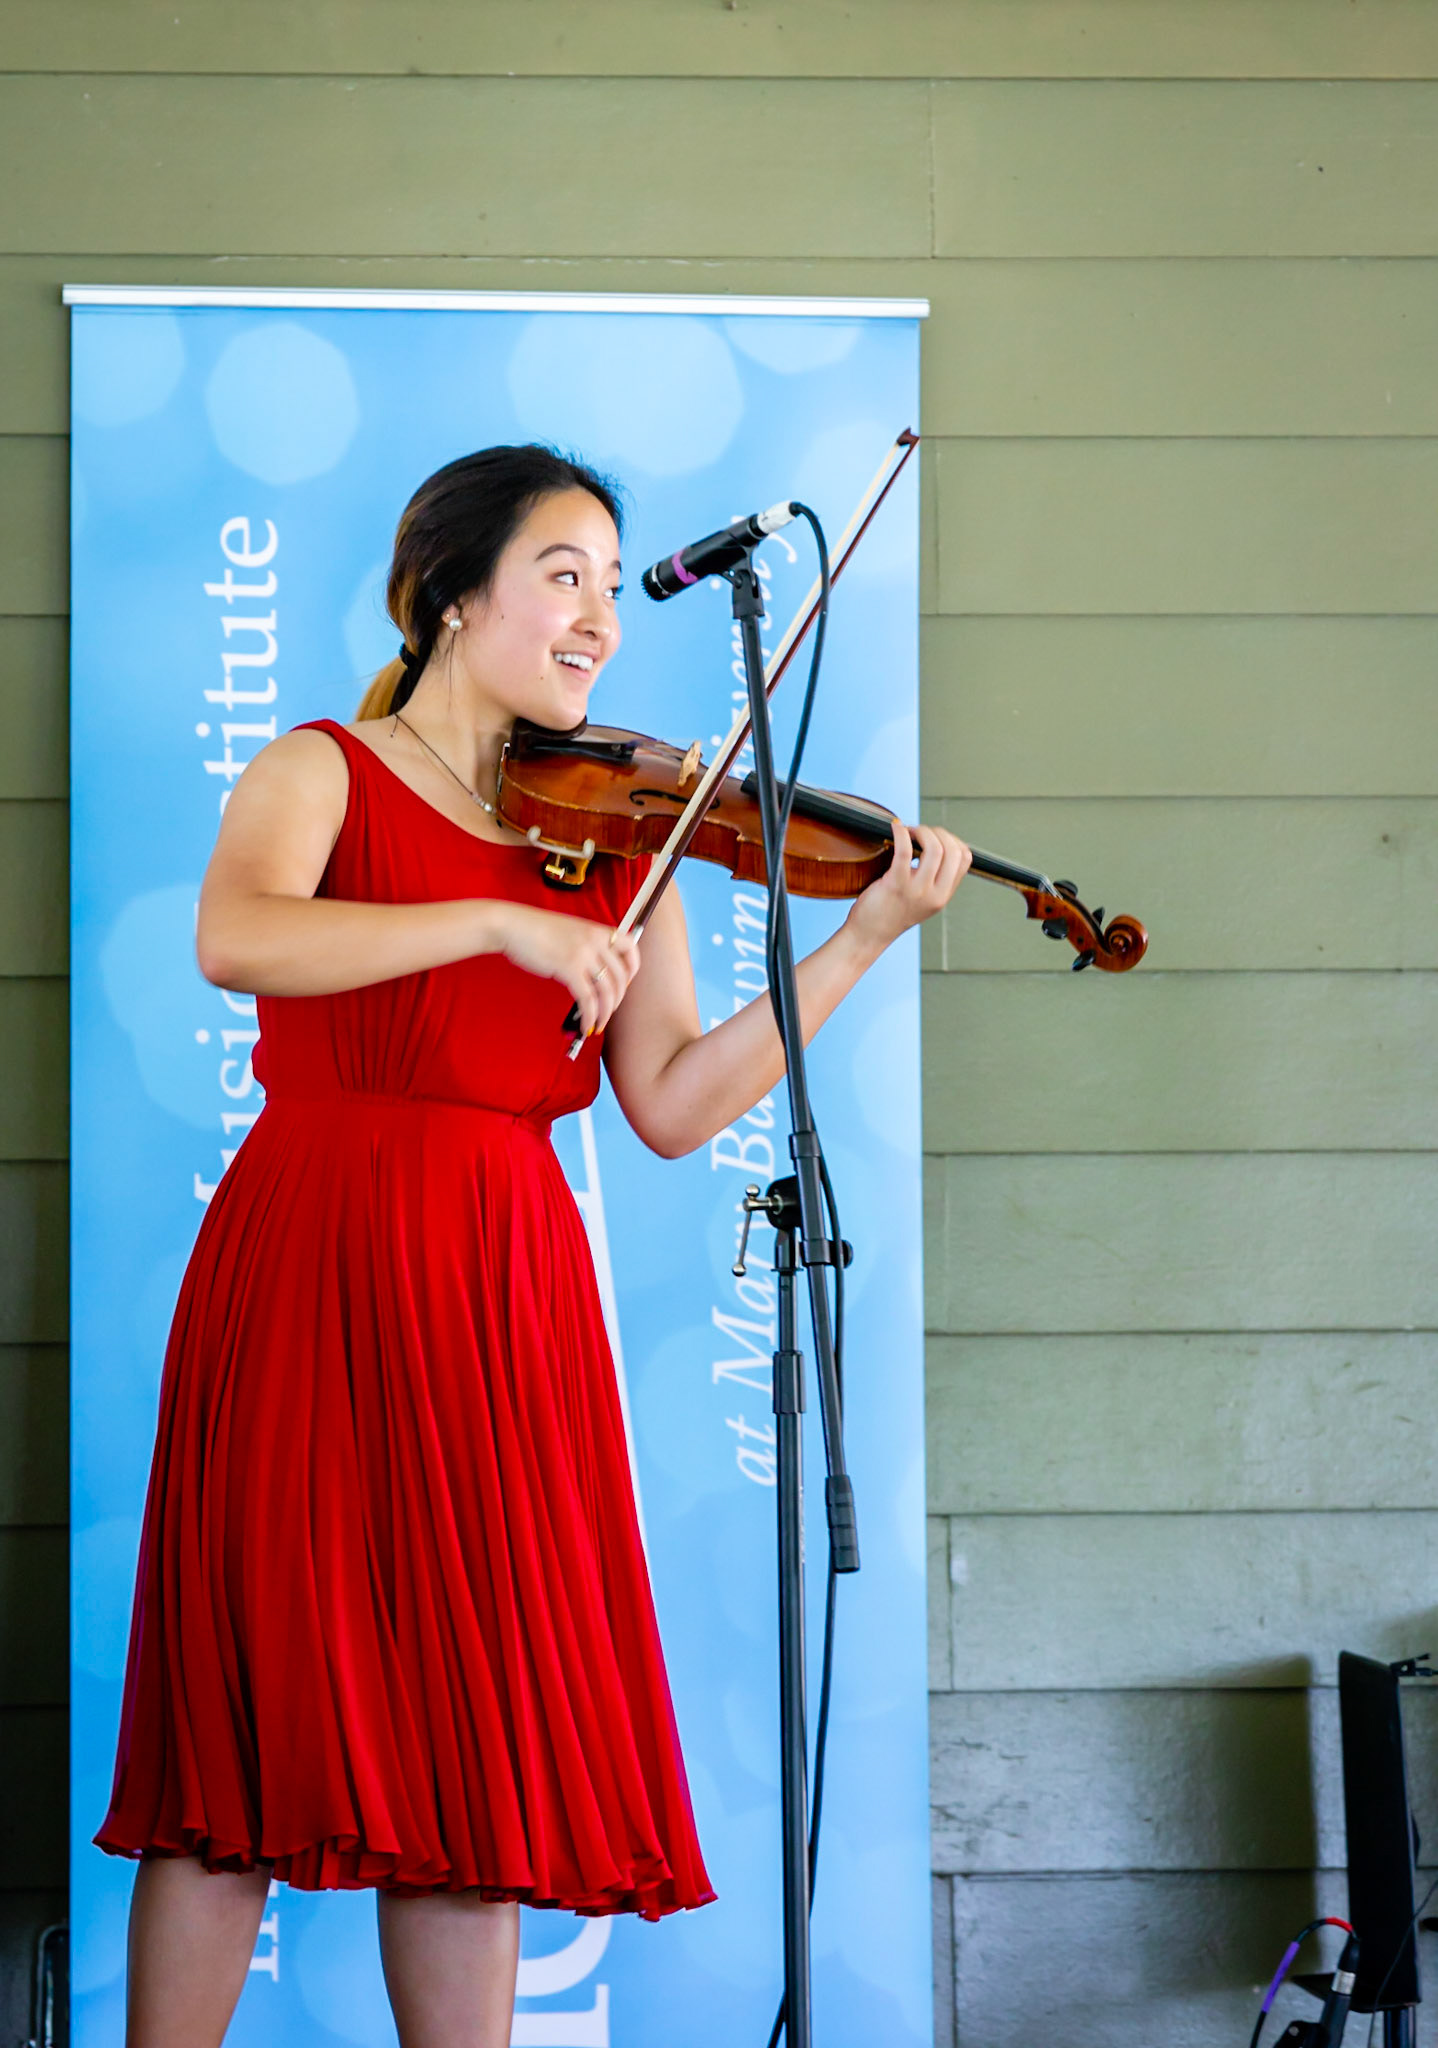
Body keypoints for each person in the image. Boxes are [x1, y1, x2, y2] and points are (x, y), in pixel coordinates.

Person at [94, 443, 971, 2048]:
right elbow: (238, 936)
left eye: (608, 589)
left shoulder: (624, 836)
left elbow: (672, 1101)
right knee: (241, 1730)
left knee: (470, 1744)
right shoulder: (320, 770)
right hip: (311, 1264)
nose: (598, 620)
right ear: (449, 596)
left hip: (503, 1289)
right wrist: (498, 921)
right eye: (562, 576)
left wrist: (857, 938)